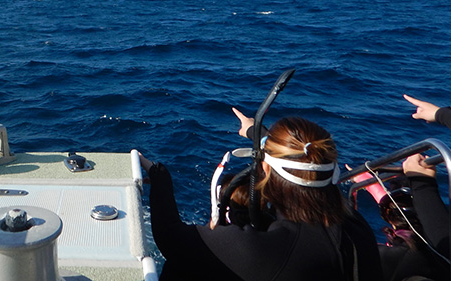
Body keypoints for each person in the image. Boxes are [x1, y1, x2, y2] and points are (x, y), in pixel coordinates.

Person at [140, 116, 383, 280]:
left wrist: (160, 176)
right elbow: (304, 158)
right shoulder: (356, 228)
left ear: (265, 170)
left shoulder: (265, 250)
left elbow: (170, 237)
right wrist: (259, 135)